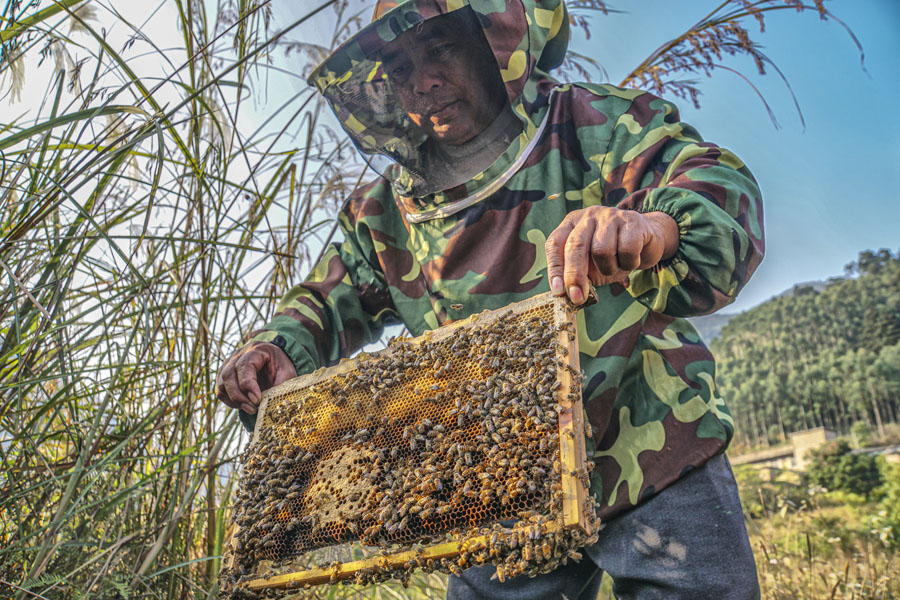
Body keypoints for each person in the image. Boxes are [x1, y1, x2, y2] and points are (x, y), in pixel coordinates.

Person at [216, 1, 764, 598]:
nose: (422, 83)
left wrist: (654, 227)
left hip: (650, 447)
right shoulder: (380, 212)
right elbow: (326, 298)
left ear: (495, 39)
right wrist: (277, 347)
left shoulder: (597, 122)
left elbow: (710, 184)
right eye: (399, 67)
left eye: (439, 48)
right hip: (497, 482)